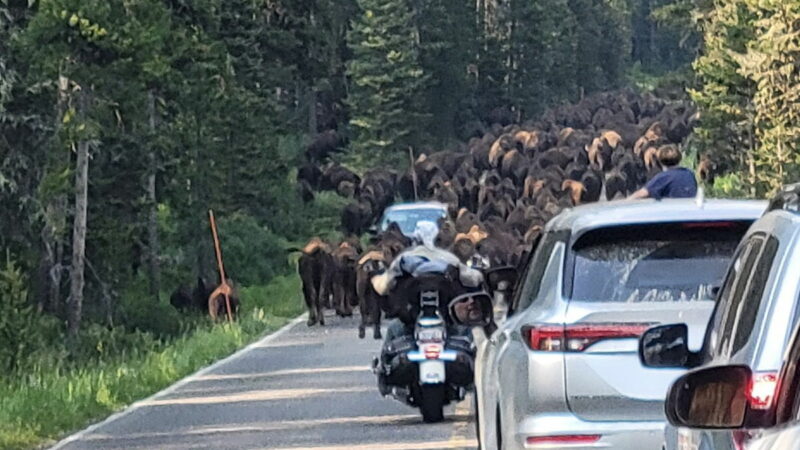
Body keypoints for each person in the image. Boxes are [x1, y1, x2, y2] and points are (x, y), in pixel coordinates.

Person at [628, 145, 698, 200]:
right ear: (679, 158)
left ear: (660, 160)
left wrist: (625, 202)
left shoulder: (664, 177)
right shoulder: (689, 174)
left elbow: (642, 194)